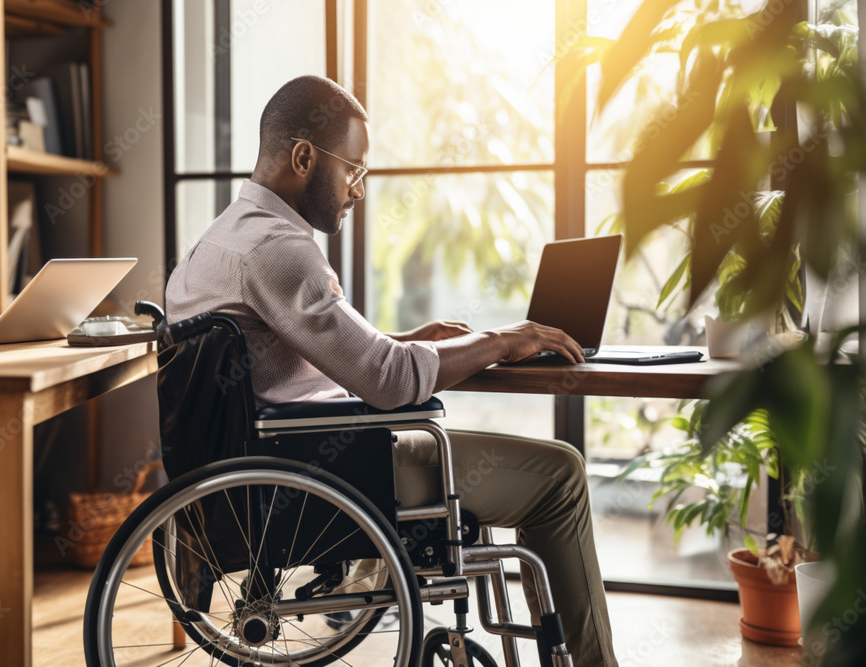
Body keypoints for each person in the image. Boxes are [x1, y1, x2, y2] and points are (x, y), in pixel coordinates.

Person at [166, 74, 618, 666]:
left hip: (264, 465)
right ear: (304, 157)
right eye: (353, 169)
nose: (357, 189)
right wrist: (500, 340)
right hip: (319, 470)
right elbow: (390, 382)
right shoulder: (278, 249)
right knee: (559, 474)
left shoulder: (222, 240)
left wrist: (406, 338)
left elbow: (300, 350)